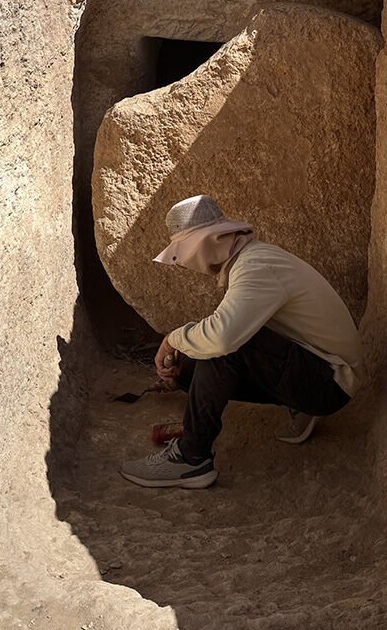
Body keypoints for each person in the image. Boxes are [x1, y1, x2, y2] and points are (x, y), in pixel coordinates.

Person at [120, 194, 362, 489]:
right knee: (191, 361)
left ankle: (191, 459)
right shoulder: (253, 259)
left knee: (221, 345)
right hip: (320, 369)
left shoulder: (255, 267)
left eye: (184, 253)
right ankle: (297, 403)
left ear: (209, 240)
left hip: (330, 383)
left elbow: (223, 338)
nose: (184, 263)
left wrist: (172, 339)